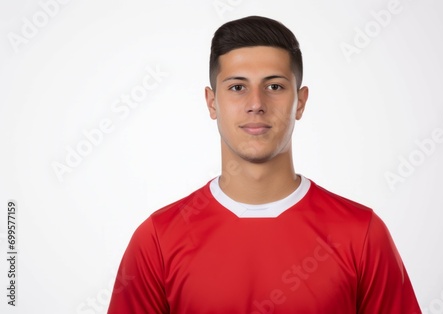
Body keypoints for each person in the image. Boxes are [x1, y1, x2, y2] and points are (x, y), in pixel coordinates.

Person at [107, 15, 422, 314]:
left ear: (300, 101)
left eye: (274, 86)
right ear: (211, 102)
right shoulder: (158, 241)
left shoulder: (361, 234)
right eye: (237, 87)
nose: (256, 104)